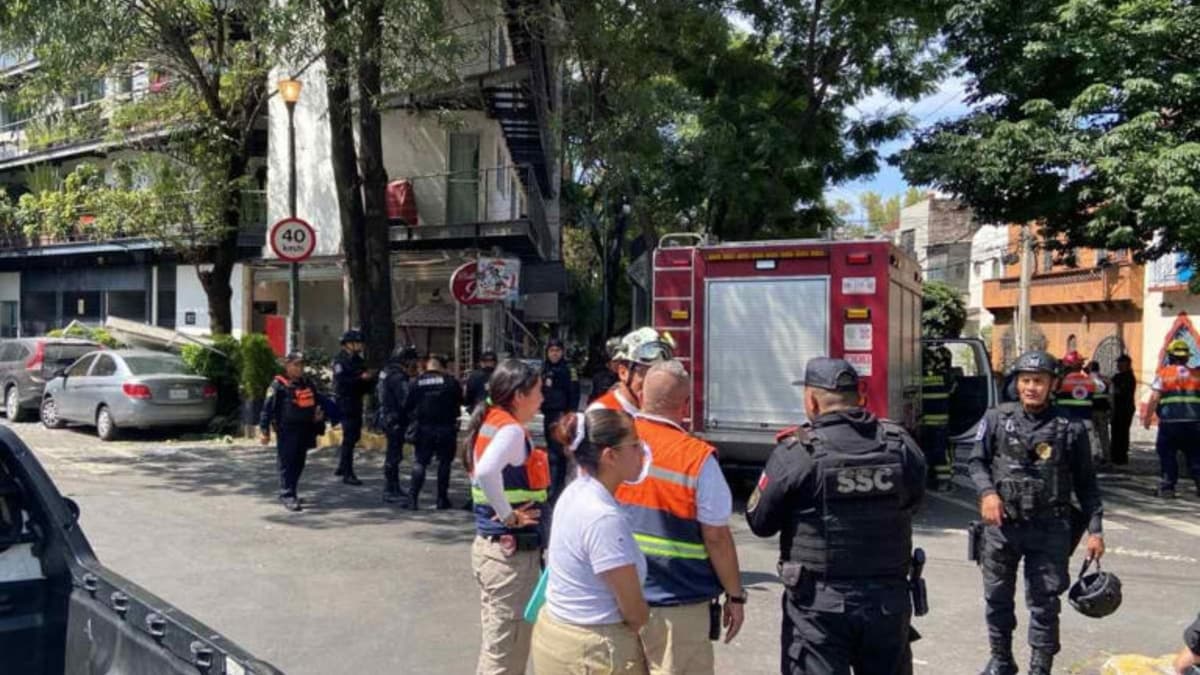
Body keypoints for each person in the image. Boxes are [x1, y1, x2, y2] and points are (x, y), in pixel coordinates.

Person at [746, 357, 927, 675]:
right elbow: (913, 500)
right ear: (859, 396)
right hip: (887, 604)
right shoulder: (900, 445)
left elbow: (760, 522)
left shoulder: (797, 453)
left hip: (819, 610)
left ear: (811, 401)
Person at [970, 349, 1105, 675]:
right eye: (1025, 380)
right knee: (997, 599)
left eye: (1039, 381)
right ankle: (1001, 661)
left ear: (1052, 384)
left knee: (1044, 604)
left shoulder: (1071, 428)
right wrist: (988, 493)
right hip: (1003, 528)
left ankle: (1039, 668)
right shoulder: (996, 419)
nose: (1031, 387)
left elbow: (1087, 483)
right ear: (1017, 384)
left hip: (1049, 529)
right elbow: (976, 462)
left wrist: (1096, 530)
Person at [615, 360, 744, 674]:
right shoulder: (697, 459)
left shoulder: (613, 444)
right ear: (684, 405)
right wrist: (736, 596)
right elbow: (716, 538)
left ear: (642, 393)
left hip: (615, 599)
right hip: (677, 607)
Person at [532, 408, 650, 674]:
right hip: (593, 651)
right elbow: (633, 610)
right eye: (635, 445)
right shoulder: (603, 517)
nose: (642, 452)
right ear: (610, 456)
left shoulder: (574, 492)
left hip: (556, 636)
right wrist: (645, 618)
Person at [464, 359, 550, 675]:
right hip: (511, 558)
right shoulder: (511, 431)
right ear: (518, 396)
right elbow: (487, 472)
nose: (543, 398)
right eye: (538, 391)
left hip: (493, 552)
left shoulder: (491, 420)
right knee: (506, 657)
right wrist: (509, 516)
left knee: (497, 648)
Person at [259, 352, 326, 512]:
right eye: (295, 365)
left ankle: (292, 491)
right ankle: (287, 494)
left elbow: (316, 403)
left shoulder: (307, 383)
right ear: (287, 366)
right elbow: (266, 410)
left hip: (305, 429)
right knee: (287, 463)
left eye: (301, 365)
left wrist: (319, 417)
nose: (299, 368)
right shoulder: (278, 385)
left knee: (299, 462)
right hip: (287, 431)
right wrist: (264, 431)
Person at [404, 353, 464, 510]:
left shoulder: (417, 382)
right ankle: (441, 499)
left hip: (424, 428)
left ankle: (412, 499)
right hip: (446, 428)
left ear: (427, 366)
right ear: (443, 367)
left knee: (420, 462)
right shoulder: (451, 382)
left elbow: (408, 405)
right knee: (444, 463)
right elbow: (461, 400)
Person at [1142, 339, 1200, 499]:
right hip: (1194, 424)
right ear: (1187, 357)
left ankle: (1168, 488)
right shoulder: (1196, 375)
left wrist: (1147, 417)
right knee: (1195, 456)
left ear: (1170, 356)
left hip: (1170, 424)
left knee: (1167, 455)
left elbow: (1154, 397)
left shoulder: (1163, 374)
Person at [588, 328, 675, 417]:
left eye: (659, 375)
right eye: (646, 374)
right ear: (623, 372)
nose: (654, 383)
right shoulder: (603, 413)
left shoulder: (660, 413)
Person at [378, 345, 420, 505]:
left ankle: (393, 487)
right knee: (394, 455)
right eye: (412, 361)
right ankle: (390, 489)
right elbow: (405, 399)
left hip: (387, 416)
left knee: (393, 454)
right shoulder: (398, 377)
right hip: (395, 419)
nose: (414, 365)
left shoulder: (386, 371)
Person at [332, 329, 374, 486]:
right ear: (348, 344)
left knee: (354, 435)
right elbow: (342, 382)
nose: (360, 345)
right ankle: (348, 473)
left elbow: (364, 379)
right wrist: (360, 378)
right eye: (357, 342)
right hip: (345, 401)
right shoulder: (339, 361)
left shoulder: (358, 360)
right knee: (350, 437)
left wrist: (368, 379)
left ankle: (342, 466)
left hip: (356, 400)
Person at [542, 338, 580, 504]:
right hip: (548, 414)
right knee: (551, 453)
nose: (554, 354)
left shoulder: (568, 369)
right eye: (551, 351)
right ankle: (551, 485)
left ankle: (557, 490)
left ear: (562, 352)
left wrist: (570, 414)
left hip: (561, 415)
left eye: (557, 351)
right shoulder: (545, 368)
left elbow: (574, 392)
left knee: (559, 455)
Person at [920, 345, 956, 491]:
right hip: (941, 422)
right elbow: (953, 391)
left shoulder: (920, 375)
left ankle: (927, 478)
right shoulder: (947, 377)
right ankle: (943, 481)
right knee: (941, 452)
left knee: (926, 451)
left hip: (923, 421)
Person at [1056, 350, 1099, 457]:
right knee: (1087, 451)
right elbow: (1099, 391)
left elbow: (1053, 394)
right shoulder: (1089, 380)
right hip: (1085, 419)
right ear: (1080, 365)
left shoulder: (1061, 380)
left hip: (1066, 420)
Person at [1109, 354, 1136, 466]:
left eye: (1121, 363)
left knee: (1122, 432)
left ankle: (1121, 456)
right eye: (1118, 363)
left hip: (1125, 408)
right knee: (1115, 431)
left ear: (1127, 364)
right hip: (1117, 407)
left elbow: (1121, 391)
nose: (1118, 365)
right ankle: (1115, 454)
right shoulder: (1117, 376)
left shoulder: (1129, 377)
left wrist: (1112, 388)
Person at [1087, 361, 1113, 465]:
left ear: (1089, 369)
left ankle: (1094, 456)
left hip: (1090, 410)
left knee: (1091, 435)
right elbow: (1111, 397)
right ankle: (1107, 457)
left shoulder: (1086, 380)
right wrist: (1112, 410)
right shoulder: (1106, 380)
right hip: (1103, 410)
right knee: (1104, 435)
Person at [588, 339, 621, 404]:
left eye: (619, 362)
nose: (617, 364)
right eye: (615, 361)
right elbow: (592, 395)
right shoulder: (599, 377)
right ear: (608, 363)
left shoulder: (624, 378)